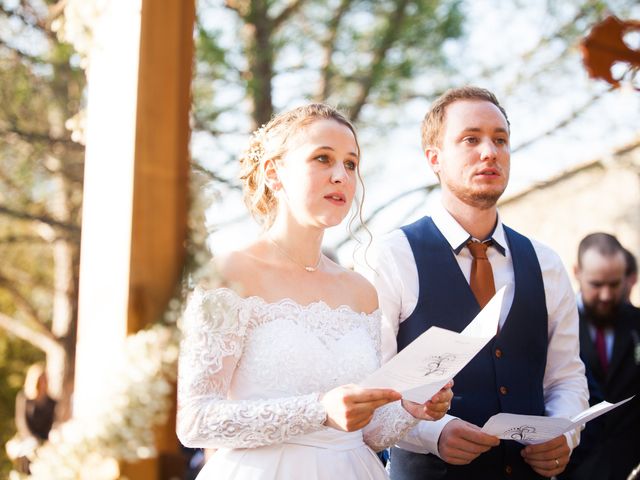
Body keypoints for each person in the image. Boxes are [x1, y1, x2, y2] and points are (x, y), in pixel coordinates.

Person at [176, 103, 453, 480]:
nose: (341, 175)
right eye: (323, 158)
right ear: (275, 173)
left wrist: (411, 408)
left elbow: (369, 434)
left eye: (351, 163)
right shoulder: (229, 273)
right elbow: (195, 420)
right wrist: (318, 410)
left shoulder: (361, 291)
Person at [361, 86, 589, 479]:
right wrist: (434, 432)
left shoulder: (546, 263)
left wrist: (565, 434)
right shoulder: (389, 256)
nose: (490, 151)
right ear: (434, 158)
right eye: (471, 139)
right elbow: (369, 389)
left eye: (500, 140)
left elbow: (566, 376)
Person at [558, 233, 640, 480]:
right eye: (596, 284)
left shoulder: (637, 323)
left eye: (615, 284)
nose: (606, 295)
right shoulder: (555, 325)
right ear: (577, 272)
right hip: (573, 469)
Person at [6, 363, 57, 474]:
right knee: (27, 451)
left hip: (45, 440)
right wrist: (33, 439)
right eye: (40, 380)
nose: (43, 383)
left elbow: (52, 423)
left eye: (45, 380)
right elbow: (21, 422)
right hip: (27, 438)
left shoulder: (52, 402)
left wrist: (45, 441)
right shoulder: (24, 398)